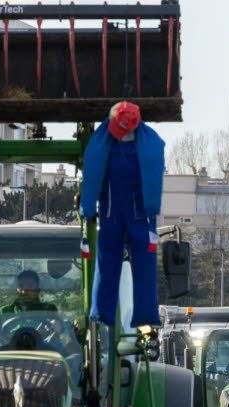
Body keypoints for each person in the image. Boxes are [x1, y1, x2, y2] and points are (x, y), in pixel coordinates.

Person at [79, 101, 165, 328]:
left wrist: (88, 209)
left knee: (140, 266)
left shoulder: (101, 143)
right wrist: (88, 207)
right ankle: (102, 312)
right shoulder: (148, 144)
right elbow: (92, 177)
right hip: (121, 214)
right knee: (109, 263)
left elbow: (91, 176)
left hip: (134, 214)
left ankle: (138, 313)